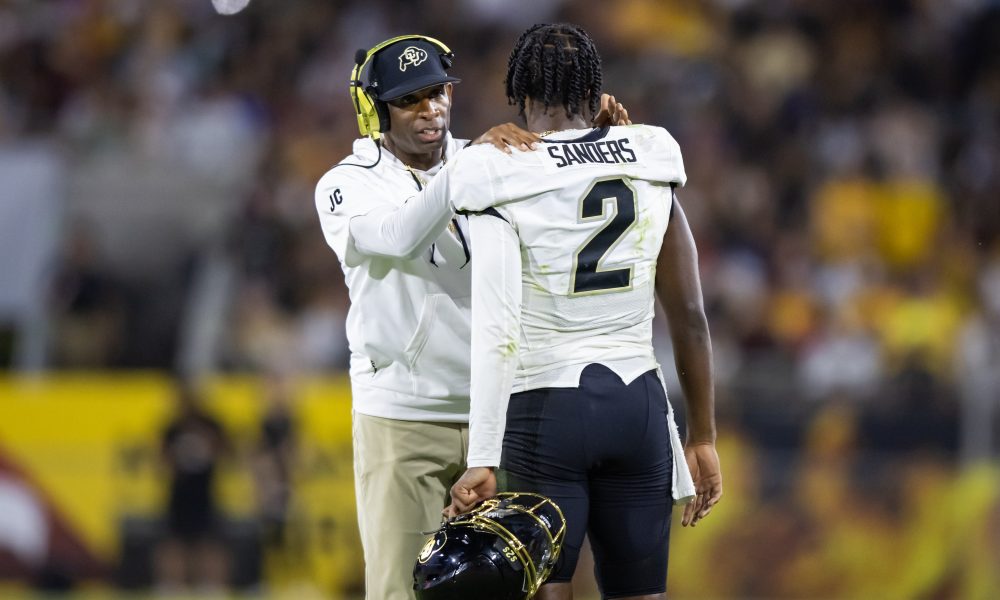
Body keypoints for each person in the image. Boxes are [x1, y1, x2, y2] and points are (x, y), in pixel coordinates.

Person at [314, 33, 630, 599]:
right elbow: (397, 234)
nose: (431, 108)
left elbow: (572, 209)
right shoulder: (345, 183)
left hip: (505, 411)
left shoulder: (487, 158)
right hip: (404, 415)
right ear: (376, 109)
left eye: (438, 92)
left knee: (524, 587)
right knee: (398, 590)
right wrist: (476, 166)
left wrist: (596, 137)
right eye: (410, 99)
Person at [413, 23, 723, 599]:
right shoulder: (652, 151)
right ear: (597, 93)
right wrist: (702, 434)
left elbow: (498, 328)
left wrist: (482, 455)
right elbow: (691, 314)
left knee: (546, 588)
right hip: (640, 405)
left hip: (546, 405)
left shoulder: (492, 166)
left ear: (522, 94)